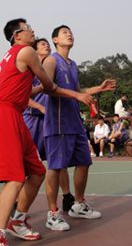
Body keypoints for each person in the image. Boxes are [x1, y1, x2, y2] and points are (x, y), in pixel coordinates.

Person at [0, 19, 93, 245]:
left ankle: (17, 220)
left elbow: (31, 91)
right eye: (27, 28)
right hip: (6, 114)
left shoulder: (11, 57)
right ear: (17, 35)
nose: (32, 30)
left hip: (15, 113)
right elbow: (49, 85)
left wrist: (45, 87)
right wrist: (77, 95)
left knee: (37, 171)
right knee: (15, 178)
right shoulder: (26, 52)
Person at [43, 25, 116, 231]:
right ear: (55, 40)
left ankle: (78, 204)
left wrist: (98, 88)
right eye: (64, 32)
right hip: (58, 123)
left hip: (75, 123)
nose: (69, 34)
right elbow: (47, 88)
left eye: (71, 32)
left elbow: (78, 90)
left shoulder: (73, 64)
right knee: (56, 168)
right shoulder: (51, 61)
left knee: (84, 162)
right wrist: (77, 95)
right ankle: (53, 213)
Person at [24, 38, 75, 214]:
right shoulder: (30, 71)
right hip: (33, 119)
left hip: (50, 119)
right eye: (42, 44)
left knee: (57, 161)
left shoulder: (52, 67)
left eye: (47, 43)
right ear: (34, 50)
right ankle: (17, 201)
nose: (46, 45)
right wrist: (39, 107)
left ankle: (67, 196)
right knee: (27, 162)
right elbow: (23, 95)